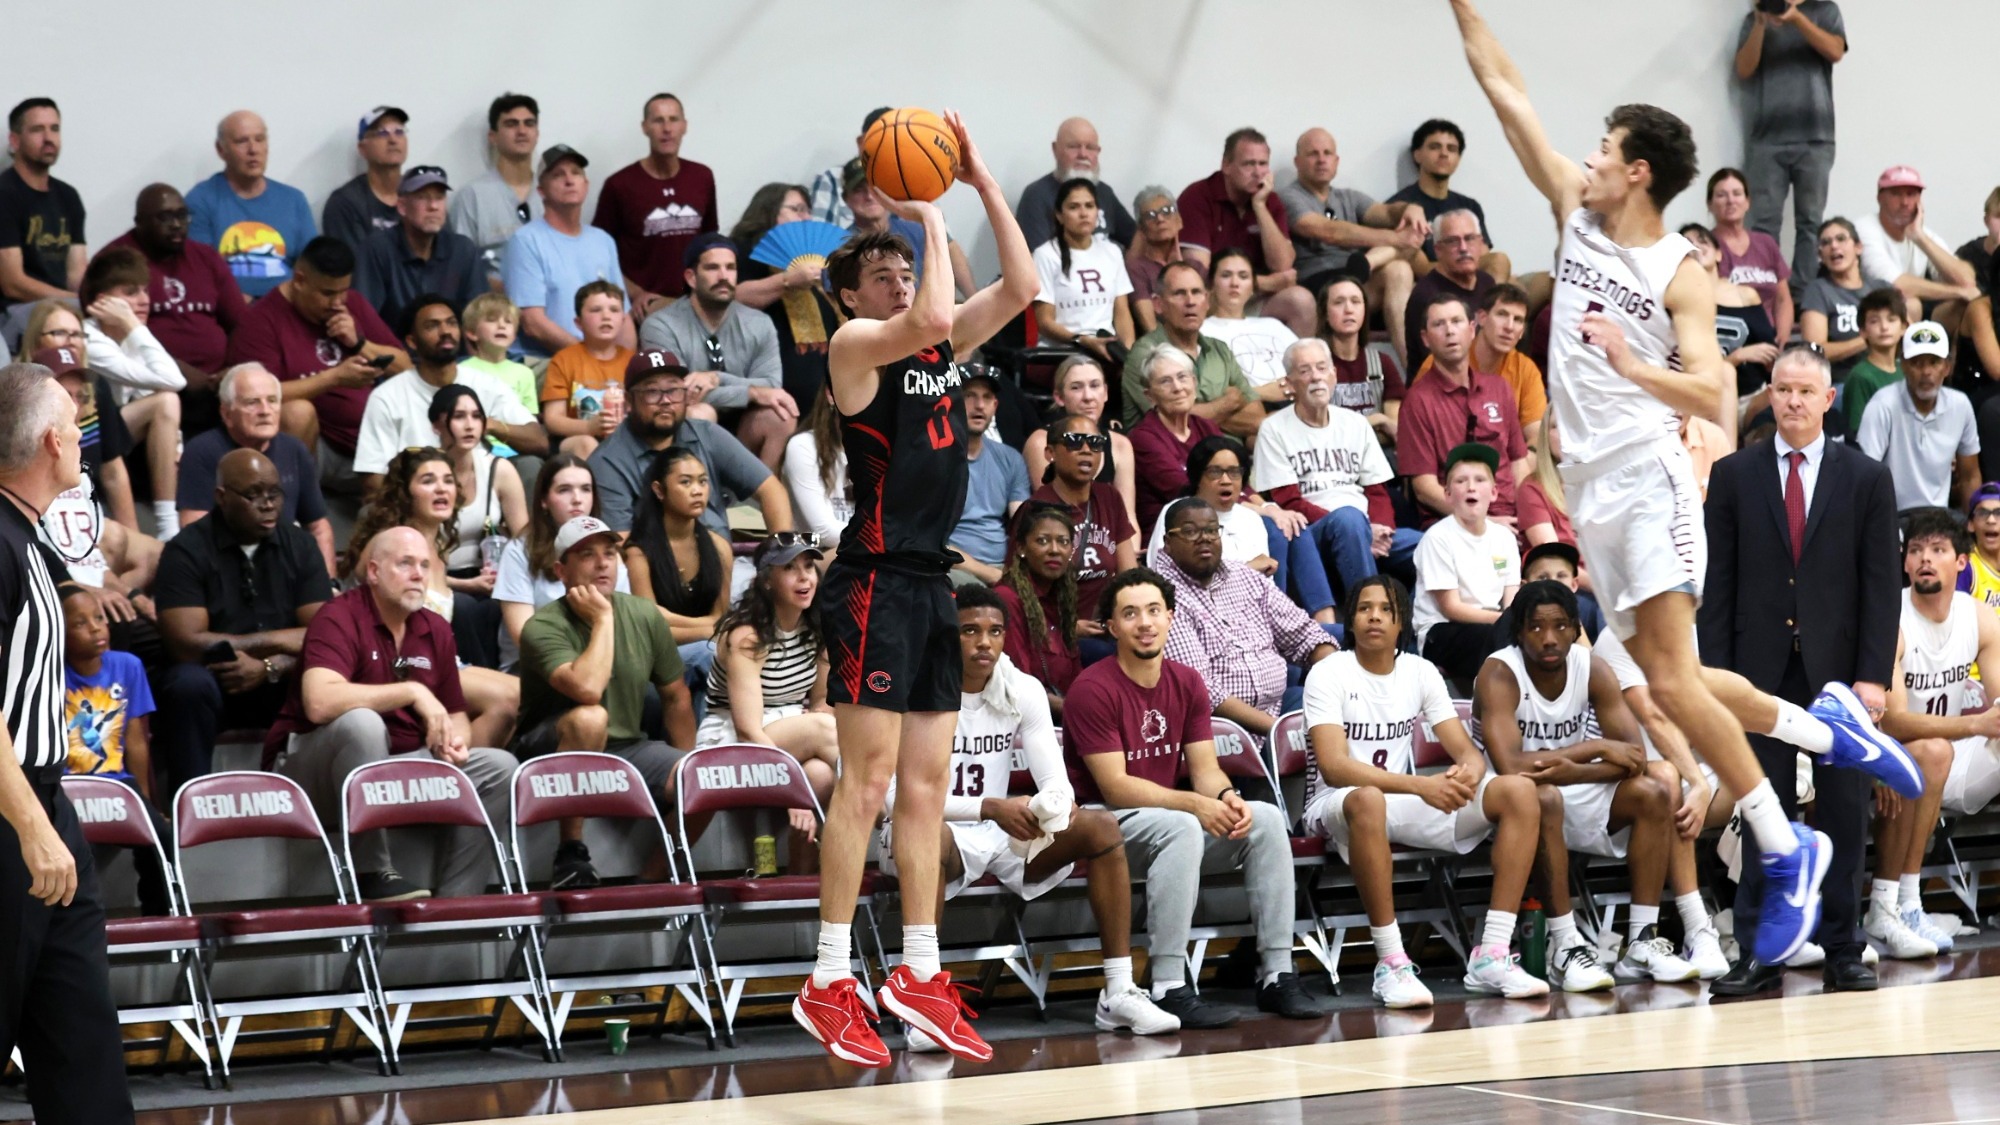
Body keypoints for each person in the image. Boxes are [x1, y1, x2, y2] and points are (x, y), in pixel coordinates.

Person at [1454, 0, 1919, 972]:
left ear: (1634, 171)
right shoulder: (1572, 217)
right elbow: (1503, 92)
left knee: (1664, 679)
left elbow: (1711, 386)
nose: (1582, 156)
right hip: (1589, 489)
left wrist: (1630, 364)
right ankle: (1813, 724)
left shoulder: (1680, 271)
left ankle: (1782, 844)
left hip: (1647, 474)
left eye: (1602, 146)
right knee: (1673, 681)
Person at [796, 111, 1038, 1068]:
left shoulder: (936, 354)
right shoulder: (856, 349)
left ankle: (919, 968)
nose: (901, 275)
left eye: (906, 263)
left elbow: (1021, 286)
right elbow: (933, 314)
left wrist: (978, 179)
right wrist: (926, 218)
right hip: (871, 586)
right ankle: (825, 978)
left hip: (932, 587)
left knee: (929, 789)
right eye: (883, 269)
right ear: (852, 294)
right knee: (867, 785)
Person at [890, 583, 1177, 1044]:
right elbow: (889, 796)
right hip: (919, 832)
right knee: (931, 832)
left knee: (1100, 826)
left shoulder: (1021, 688)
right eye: (970, 631)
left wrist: (1050, 807)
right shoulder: (910, 685)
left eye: (995, 631)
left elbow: (1056, 781)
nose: (985, 642)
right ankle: (922, 1000)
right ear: (947, 634)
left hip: (999, 831)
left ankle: (1118, 991)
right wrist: (987, 806)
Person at [1701, 345, 1904, 995]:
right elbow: (1718, 584)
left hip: (1839, 676)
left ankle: (1844, 947)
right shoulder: (1733, 474)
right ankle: (1761, 952)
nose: (1790, 400)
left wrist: (1873, 674)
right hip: (1757, 675)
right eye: (1780, 388)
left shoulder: (1866, 477)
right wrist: (1716, 680)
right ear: (1770, 395)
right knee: (1764, 812)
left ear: (1827, 399)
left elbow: (1881, 587)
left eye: (1803, 390)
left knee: (1844, 811)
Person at [1064, 568, 1320, 1028]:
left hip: (1166, 824)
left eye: (1154, 611)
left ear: (1170, 618)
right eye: (1130, 613)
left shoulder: (1186, 681)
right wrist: (1195, 805)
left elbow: (1204, 770)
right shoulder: (1092, 688)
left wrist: (1225, 796)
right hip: (1102, 828)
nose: (1144, 622)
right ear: (1112, 627)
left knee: (1262, 817)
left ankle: (1276, 973)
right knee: (1181, 823)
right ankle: (1167, 984)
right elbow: (1116, 788)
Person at [1301, 575, 1546, 1008]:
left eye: (1386, 609)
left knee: (1518, 792)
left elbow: (1465, 750)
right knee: (1368, 799)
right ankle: (1391, 962)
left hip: (1397, 800)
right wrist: (1422, 786)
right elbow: (1336, 768)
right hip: (1335, 804)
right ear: (1350, 623)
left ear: (1402, 625)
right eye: (1364, 608)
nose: (1375, 616)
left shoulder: (1419, 670)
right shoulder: (1328, 673)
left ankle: (1491, 953)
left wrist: (1468, 774)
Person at [0, 359, 135, 1123]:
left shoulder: (32, 537)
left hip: (46, 803)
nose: (85, 438)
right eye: (77, 427)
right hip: (12, 814)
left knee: (81, 1033)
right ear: (53, 441)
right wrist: (27, 823)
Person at [266, 527, 516, 903]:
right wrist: (413, 691)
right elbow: (319, 702)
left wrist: (454, 740)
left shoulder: (435, 628)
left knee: (500, 766)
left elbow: (456, 715)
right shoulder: (338, 617)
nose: (419, 574)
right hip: (309, 774)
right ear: (373, 572)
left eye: (424, 565)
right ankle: (372, 871)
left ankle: (457, 904)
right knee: (362, 722)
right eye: (405, 564)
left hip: (395, 770)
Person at [1474, 580, 1699, 989]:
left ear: (1577, 628)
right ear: (1519, 631)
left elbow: (1631, 757)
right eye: (1536, 628)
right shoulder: (1498, 671)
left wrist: (1570, 770)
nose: (1548, 638)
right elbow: (1510, 765)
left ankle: (1641, 942)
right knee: (1542, 796)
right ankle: (1565, 945)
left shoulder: (1591, 667)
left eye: (1560, 626)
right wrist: (1594, 747)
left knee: (1655, 792)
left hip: (1568, 785)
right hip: (1510, 802)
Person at [515, 515, 698, 887]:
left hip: (627, 747)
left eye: (610, 553)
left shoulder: (644, 614)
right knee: (590, 718)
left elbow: (676, 697)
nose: (602, 563)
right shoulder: (542, 625)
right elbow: (586, 690)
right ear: (560, 570)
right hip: (549, 748)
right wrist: (602, 619)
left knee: (701, 778)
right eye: (587, 555)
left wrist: (684, 773)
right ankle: (570, 853)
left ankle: (652, 879)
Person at [153, 448, 331, 792]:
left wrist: (268, 666)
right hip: (216, 680)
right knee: (187, 684)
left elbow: (324, 636)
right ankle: (190, 805)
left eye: (274, 493)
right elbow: (186, 643)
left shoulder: (301, 546)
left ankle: (320, 806)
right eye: (253, 495)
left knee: (324, 676)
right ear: (222, 497)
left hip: (281, 678)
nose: (268, 504)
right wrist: (277, 644)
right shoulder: (185, 549)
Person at [1870, 508, 2000, 959]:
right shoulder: (1891, 619)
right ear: (1904, 563)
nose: (1926, 559)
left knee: (1943, 750)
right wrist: (1976, 724)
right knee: (1931, 750)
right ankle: (1901, 903)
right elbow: (1892, 722)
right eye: (1916, 550)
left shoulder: (1980, 617)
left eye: (1938, 550)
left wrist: (1989, 720)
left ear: (1961, 562)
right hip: (1893, 753)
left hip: (1955, 757)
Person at [339, 449, 519, 749]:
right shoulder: (387, 544)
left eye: (448, 481)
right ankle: (453, 775)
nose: (441, 489)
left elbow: (428, 589)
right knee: (509, 696)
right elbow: (363, 604)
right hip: (399, 663)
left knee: (516, 700)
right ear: (405, 493)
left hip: (441, 660)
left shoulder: (436, 545)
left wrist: (468, 584)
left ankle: (462, 776)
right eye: (428, 480)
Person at [224, 236, 411, 487]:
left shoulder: (352, 304)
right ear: (300, 280)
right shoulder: (260, 321)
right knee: (298, 413)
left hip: (369, 446)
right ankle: (290, 509)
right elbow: (255, 397)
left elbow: (406, 368)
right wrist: (333, 378)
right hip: (318, 449)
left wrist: (360, 344)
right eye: (327, 293)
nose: (337, 303)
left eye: (343, 291)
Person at [697, 537, 837, 848]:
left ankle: (802, 880)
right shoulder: (747, 635)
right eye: (789, 567)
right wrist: (790, 786)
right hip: (730, 740)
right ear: (767, 581)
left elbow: (821, 703)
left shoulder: (818, 628)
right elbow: (747, 729)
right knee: (822, 729)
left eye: (809, 567)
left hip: (788, 733)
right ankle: (886, 811)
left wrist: (818, 717)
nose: (804, 577)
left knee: (820, 775)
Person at [1254, 338, 1417, 606]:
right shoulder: (1274, 429)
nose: (1316, 376)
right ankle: (1367, 618)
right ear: (1290, 383)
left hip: (1368, 528)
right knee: (1348, 520)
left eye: (1321, 368)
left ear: (1334, 375)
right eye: (1305, 371)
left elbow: (1376, 490)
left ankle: (1418, 631)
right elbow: (1288, 501)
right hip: (1315, 533)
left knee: (1435, 546)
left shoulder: (1355, 423)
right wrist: (1357, 528)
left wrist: (1379, 527)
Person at [1157, 497, 1335, 735]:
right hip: (1219, 726)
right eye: (1190, 531)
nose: (1205, 538)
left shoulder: (1242, 575)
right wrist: (1279, 732)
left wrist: (1339, 684)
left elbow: (1304, 634)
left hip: (1278, 706)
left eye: (1212, 530)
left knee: (1338, 713)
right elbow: (1203, 691)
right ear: (1168, 542)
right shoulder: (1161, 596)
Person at [588, 348, 791, 537]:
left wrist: (780, 553)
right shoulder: (607, 461)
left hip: (724, 560)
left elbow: (771, 490)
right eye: (652, 391)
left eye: (674, 390)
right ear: (628, 401)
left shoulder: (707, 434)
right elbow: (620, 544)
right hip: (654, 566)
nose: (666, 400)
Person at [352, 295, 546, 492]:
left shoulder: (487, 385)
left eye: (451, 323)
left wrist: (489, 424)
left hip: (481, 490)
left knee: (529, 465)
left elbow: (539, 441)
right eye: (432, 326)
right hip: (418, 500)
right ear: (412, 341)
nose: (445, 331)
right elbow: (372, 476)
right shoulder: (386, 396)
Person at [59, 583, 171, 917]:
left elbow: (135, 740)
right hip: (67, 784)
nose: (96, 628)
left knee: (159, 834)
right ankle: (72, 920)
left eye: (99, 617)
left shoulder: (128, 666)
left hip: (116, 780)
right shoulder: (50, 674)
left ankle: (160, 913)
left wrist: (147, 804)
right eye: (80, 624)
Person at [637, 233, 795, 467]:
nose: (724, 276)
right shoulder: (660, 325)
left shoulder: (759, 323)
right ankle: (698, 496)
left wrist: (716, 378)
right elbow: (675, 395)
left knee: (780, 414)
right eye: (712, 268)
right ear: (691, 277)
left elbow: (771, 387)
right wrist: (751, 393)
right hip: (683, 427)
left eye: (730, 268)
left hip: (744, 426)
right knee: (701, 414)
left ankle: (762, 496)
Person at [1278, 127, 1426, 362]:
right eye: (1313, 154)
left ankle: (1414, 370)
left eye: (1327, 153)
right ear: (1297, 161)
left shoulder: (1349, 197)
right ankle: (1368, 262)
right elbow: (1329, 232)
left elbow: (1387, 213)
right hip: (1318, 285)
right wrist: (1396, 240)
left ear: (1336, 161)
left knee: (1399, 268)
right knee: (1404, 247)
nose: (1321, 159)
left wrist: (1411, 208)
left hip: (1356, 280)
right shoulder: (1288, 197)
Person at [176, 363, 335, 571]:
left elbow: (319, 528)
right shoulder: (202, 451)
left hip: (284, 566)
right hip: (226, 569)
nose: (265, 411)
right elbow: (193, 530)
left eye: (272, 401)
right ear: (226, 414)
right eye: (252, 403)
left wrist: (329, 586)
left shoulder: (294, 449)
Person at [1734, 0, 1847, 284]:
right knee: (1763, 224)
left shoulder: (1824, 10)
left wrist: (1796, 18)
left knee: (1810, 222)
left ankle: (1802, 296)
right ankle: (1765, 290)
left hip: (1816, 137)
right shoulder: (1753, 20)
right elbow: (1744, 70)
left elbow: (1835, 51)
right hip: (1767, 139)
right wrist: (1760, 24)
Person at [74, 249, 185, 538]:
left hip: (119, 437)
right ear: (102, 301)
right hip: (88, 441)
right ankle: (167, 526)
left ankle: (170, 523)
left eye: (146, 290)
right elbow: (173, 381)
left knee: (168, 406)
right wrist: (133, 324)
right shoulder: (90, 339)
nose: (144, 300)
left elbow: (167, 381)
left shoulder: (130, 335)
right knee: (166, 401)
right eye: (131, 292)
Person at [1398, 294, 1531, 526]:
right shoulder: (1417, 400)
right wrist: (1485, 523)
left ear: (1471, 330)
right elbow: (1424, 488)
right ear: (1425, 339)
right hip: (1453, 523)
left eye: (1456, 321)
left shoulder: (1499, 388)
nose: (1449, 331)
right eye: (1439, 324)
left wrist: (1530, 515)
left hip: (1511, 516)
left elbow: (1519, 463)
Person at [1175, 129, 1313, 338]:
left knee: (1301, 301)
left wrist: (1259, 206)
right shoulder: (1197, 197)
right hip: (1214, 299)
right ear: (1226, 165)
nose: (1258, 173)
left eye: (1263, 164)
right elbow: (1197, 276)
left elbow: (1283, 265)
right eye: (1248, 164)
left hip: (1253, 299)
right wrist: (1266, 283)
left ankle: (1302, 367)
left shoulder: (1270, 200)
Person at [103, 183, 244, 387]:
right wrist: (182, 373)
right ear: (139, 222)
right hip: (151, 379)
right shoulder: (115, 260)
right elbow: (114, 338)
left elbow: (240, 325)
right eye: (165, 217)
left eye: (182, 215)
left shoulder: (207, 257)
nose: (177, 224)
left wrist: (233, 370)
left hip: (219, 377)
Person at [623, 446, 732, 710]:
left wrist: (709, 629)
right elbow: (649, 624)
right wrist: (707, 629)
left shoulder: (719, 547)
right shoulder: (639, 550)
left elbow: (721, 616)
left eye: (703, 481)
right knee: (712, 652)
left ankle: (705, 745)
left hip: (702, 648)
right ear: (659, 490)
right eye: (686, 482)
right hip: (651, 655)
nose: (698, 490)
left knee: (715, 656)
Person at [429, 384, 530, 669]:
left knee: (498, 605)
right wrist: (467, 585)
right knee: (462, 607)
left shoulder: (498, 469)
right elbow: (414, 556)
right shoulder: (423, 472)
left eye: (476, 416)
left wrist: (506, 579)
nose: (470, 425)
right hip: (438, 577)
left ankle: (504, 676)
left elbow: (526, 540)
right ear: (437, 424)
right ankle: (479, 680)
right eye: (459, 416)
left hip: (489, 577)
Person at [494, 455, 631, 661]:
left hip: (605, 660)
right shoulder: (519, 551)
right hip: (538, 667)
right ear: (543, 500)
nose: (577, 498)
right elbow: (523, 635)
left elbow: (625, 622)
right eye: (564, 490)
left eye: (586, 489)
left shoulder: (609, 552)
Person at [593, 94, 717, 317]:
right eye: (658, 120)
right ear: (645, 127)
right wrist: (634, 292)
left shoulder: (702, 177)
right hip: (647, 308)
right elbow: (598, 253)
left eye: (673, 119)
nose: (667, 128)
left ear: (684, 126)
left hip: (697, 305)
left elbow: (711, 243)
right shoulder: (619, 185)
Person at [504, 145, 630, 360]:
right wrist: (591, 360)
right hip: (546, 360)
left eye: (576, 173)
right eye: (558, 175)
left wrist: (626, 364)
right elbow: (533, 323)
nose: (569, 180)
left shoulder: (603, 240)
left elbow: (623, 318)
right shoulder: (526, 240)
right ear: (541, 190)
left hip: (600, 362)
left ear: (586, 185)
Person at [728, 183, 842, 410]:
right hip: (769, 377)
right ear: (768, 210)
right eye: (797, 209)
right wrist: (788, 280)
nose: (806, 217)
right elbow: (733, 296)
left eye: (808, 210)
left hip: (822, 373)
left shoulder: (815, 255)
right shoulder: (743, 249)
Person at [1411, 444, 1519, 682]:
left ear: (1493, 492)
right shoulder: (1437, 538)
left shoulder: (1505, 538)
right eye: (1461, 481)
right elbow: (1451, 607)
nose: (1471, 487)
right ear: (1448, 494)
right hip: (1442, 630)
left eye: (1480, 480)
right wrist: (1506, 622)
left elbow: (1511, 597)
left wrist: (1513, 621)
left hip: (1493, 623)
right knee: (1491, 639)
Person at [1032, 415, 1138, 655]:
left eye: (1095, 442)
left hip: (1108, 627)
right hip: (1058, 634)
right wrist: (1065, 626)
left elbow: (1129, 576)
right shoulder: (1037, 510)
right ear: (1050, 453)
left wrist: (1126, 620)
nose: (1086, 450)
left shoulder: (1109, 497)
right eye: (1074, 441)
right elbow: (1023, 592)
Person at [186, 111, 318, 299]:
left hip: (286, 309)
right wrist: (235, 303)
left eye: (260, 139)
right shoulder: (201, 200)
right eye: (241, 141)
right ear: (221, 149)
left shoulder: (293, 200)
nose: (253, 149)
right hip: (229, 311)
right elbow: (198, 273)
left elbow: (312, 270)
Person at [1119, 261, 1260, 434]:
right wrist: (1226, 404)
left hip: (1231, 455)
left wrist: (1198, 411)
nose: (1190, 301)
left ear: (1207, 301)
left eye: (1196, 292)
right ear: (1158, 304)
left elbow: (1256, 418)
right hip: (1172, 456)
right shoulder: (1145, 354)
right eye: (1179, 293)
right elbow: (1171, 422)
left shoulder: (1220, 350)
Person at [1858, 322, 1980, 512]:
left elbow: (1970, 476)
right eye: (1916, 363)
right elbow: (1864, 477)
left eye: (1934, 362)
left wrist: (1971, 534)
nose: (1926, 372)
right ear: (1903, 366)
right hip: (1892, 517)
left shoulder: (1960, 405)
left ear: (1947, 367)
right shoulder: (1882, 405)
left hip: (1940, 517)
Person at [353, 167, 487, 336]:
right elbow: (364, 318)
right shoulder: (377, 248)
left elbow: (476, 318)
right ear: (402, 206)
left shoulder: (463, 250)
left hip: (452, 356)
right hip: (396, 354)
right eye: (422, 198)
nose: (433, 206)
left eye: (439, 198)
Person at [1415, 282, 1548, 449]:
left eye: (1518, 320)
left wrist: (1525, 463)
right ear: (1481, 318)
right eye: (1502, 314)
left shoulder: (1526, 369)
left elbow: (1536, 435)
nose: (1509, 327)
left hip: (1510, 465)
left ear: (1522, 331)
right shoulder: (1441, 363)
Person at [1854, 166, 1980, 326]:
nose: (1905, 202)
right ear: (1879, 198)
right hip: (1867, 311)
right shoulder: (1864, 229)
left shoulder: (1919, 232)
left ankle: (1951, 351)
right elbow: (1897, 286)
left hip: (1914, 314)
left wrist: (1920, 238)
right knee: (1909, 304)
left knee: (1970, 305)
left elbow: (1967, 281)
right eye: (1896, 194)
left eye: (1911, 194)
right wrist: (1959, 292)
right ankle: (1903, 352)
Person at [1683, 223, 1775, 439]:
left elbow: (1768, 348)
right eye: (1688, 243)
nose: (1695, 245)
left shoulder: (1745, 294)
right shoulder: (1677, 297)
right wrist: (1735, 358)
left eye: (1702, 241)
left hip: (1750, 396)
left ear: (1718, 254)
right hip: (1705, 395)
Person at [1031, 179, 1135, 369]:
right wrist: (1081, 340)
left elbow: (1122, 313)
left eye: (1089, 206)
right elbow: (1044, 322)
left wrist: (1127, 356)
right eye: (1074, 207)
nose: (1084, 213)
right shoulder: (1045, 255)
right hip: (1064, 351)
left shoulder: (1112, 251)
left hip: (1107, 349)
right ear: (1060, 216)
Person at [1022, 356, 1137, 525]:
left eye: (1095, 386)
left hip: (1111, 542)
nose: (1088, 396)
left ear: (1105, 392)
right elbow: (1051, 514)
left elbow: (1128, 518)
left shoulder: (1120, 444)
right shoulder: (1041, 442)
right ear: (1059, 397)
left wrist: (1131, 550)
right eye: (1076, 387)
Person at [0, 99, 86, 319]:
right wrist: (73, 303)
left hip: (63, 308)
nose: (49, 138)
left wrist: (94, 298)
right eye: (38, 130)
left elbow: (77, 275)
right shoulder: (5, 194)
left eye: (54, 129)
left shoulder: (69, 197)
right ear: (15, 140)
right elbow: (13, 284)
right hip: (14, 312)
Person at [1388, 119, 1507, 277]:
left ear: (1458, 158)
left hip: (1471, 278)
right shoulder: (1400, 207)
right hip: (1432, 284)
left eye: (1451, 149)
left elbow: (1482, 253)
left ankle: (1492, 301)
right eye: (1435, 147)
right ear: (1417, 155)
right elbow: (1419, 267)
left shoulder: (1469, 206)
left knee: (1501, 262)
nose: (1444, 154)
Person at [997, 504, 1084, 713]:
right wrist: (1075, 711)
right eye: (1042, 541)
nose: (1054, 550)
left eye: (1063, 542)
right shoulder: (1007, 599)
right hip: (1026, 720)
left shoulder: (1062, 599)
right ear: (1021, 548)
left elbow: (1076, 676)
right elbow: (1016, 684)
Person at [450, 94, 542, 288]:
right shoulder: (472, 195)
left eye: (529, 123)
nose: (522, 131)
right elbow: (461, 267)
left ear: (537, 133)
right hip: (494, 309)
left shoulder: (551, 192)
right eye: (511, 124)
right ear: (493, 136)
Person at [946, 372, 1029, 586]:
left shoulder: (1010, 459)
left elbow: (1023, 524)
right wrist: (991, 575)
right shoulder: (933, 459)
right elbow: (929, 540)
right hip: (952, 566)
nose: (979, 405)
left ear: (995, 405)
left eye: (986, 397)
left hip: (1002, 566)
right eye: (969, 396)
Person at [1127, 346, 1223, 531]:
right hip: (1175, 532)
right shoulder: (1144, 437)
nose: (1177, 388)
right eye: (1165, 381)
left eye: (1182, 377)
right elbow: (1185, 491)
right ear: (1150, 396)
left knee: (1283, 525)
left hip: (1217, 517)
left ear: (1194, 383)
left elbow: (1235, 476)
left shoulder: (1206, 427)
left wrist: (1267, 507)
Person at [540, 281, 634, 459]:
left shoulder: (633, 361)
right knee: (586, 443)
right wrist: (589, 427)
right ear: (578, 323)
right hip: (576, 438)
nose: (606, 316)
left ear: (623, 320)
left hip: (624, 439)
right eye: (596, 310)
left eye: (614, 310)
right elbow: (552, 420)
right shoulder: (564, 360)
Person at [1014, 118, 1138, 250]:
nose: (1083, 154)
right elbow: (1037, 257)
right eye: (1073, 146)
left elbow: (1136, 238)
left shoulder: (1104, 192)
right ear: (1055, 149)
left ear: (1098, 152)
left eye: (1090, 148)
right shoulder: (1037, 195)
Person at [1800, 217, 1898, 382]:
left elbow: (1905, 327)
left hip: (1886, 377)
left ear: (1858, 247)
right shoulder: (1818, 291)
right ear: (1820, 255)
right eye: (1826, 242)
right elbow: (1814, 352)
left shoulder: (1882, 288)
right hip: (1843, 382)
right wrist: (1867, 339)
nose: (1834, 246)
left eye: (1841, 239)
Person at [1706, 169, 1794, 344]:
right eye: (1721, 195)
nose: (1730, 201)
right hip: (1725, 339)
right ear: (1710, 204)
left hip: (1769, 340)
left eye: (1737, 194)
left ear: (1747, 202)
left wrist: (1782, 338)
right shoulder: (1705, 246)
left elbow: (1783, 299)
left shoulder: (1766, 243)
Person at [1401, 211, 1496, 372]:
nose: (1463, 248)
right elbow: (1444, 365)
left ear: (1481, 243)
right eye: (1453, 241)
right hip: (1439, 389)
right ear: (1438, 250)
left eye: (1470, 238)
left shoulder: (1487, 282)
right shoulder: (1426, 296)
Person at [1317, 277, 1406, 439]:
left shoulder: (1382, 362)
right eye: (1338, 302)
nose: (1349, 309)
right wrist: (1377, 419)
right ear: (1325, 314)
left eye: (1356, 301)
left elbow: (1394, 427)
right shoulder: (1314, 366)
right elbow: (1320, 428)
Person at [1202, 248, 1297, 390]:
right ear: (1211, 284)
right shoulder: (1202, 331)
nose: (1235, 283)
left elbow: (1307, 367)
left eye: (1243, 276)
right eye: (1226, 275)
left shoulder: (1273, 325)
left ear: (1253, 286)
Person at [322, 107, 408, 254]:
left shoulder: (423, 196)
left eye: (399, 131)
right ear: (363, 148)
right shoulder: (345, 203)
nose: (393, 140)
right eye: (382, 133)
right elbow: (358, 268)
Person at [784, 389, 852, 549]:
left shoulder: (883, 448)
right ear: (831, 395)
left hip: (867, 551)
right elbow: (824, 533)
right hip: (815, 558)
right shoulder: (803, 446)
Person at [1124, 186, 1192, 337]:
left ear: (1179, 220)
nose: (1160, 219)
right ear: (1141, 229)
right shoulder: (1135, 269)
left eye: (1167, 211)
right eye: (1150, 215)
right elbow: (1150, 326)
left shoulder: (1193, 264)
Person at [458, 292, 540, 416]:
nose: (502, 326)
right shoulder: (462, 371)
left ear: (514, 335)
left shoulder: (524, 373)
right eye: (491, 320)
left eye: (508, 322)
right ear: (471, 333)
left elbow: (530, 419)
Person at [806, 108, 888, 228]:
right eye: (881, 138)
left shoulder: (913, 183)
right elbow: (819, 239)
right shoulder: (832, 180)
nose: (870, 196)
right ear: (862, 142)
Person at [1843, 288, 1909, 435]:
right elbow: (1857, 430)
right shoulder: (1860, 376)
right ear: (1863, 331)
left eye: (1891, 320)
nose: (1884, 327)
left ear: (1903, 327)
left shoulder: (1906, 370)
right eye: (1874, 321)